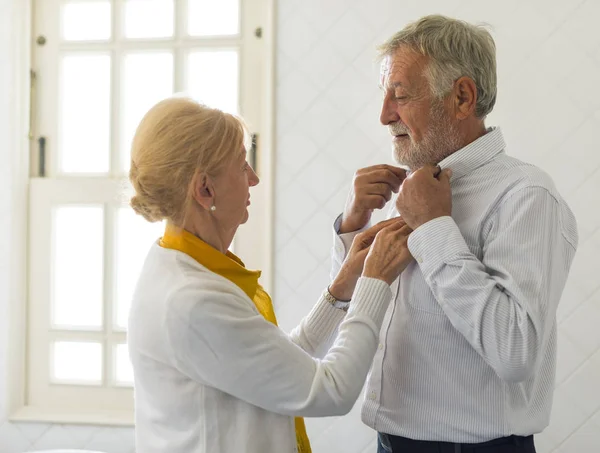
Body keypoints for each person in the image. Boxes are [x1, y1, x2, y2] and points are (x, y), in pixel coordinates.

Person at [331, 15, 578, 453]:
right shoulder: (408, 190)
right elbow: (353, 319)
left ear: (462, 97)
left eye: (400, 95)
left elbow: (515, 351)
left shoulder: (527, 196)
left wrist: (433, 227)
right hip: (388, 442)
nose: (384, 114)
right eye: (385, 94)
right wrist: (353, 226)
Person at [126, 96, 415, 453]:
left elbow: (276, 364)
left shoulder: (180, 268)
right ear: (205, 189)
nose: (254, 178)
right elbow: (330, 391)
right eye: (241, 165)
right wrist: (375, 281)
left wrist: (342, 289)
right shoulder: (190, 300)